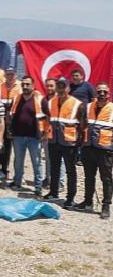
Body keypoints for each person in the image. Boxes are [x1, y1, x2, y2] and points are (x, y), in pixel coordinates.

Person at [43, 77, 85, 209]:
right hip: (54, 141)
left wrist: (80, 142)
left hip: (69, 144)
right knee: (54, 169)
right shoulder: (51, 102)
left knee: (70, 171)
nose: (61, 89)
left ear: (68, 88)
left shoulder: (77, 104)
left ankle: (70, 198)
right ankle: (53, 192)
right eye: (59, 86)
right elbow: (48, 120)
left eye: (63, 86)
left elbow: (83, 125)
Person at [78, 82, 112, 219]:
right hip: (89, 148)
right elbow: (83, 124)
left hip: (105, 150)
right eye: (99, 92)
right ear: (96, 93)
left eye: (104, 92)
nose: (102, 94)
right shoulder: (88, 107)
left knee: (107, 179)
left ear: (108, 94)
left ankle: (106, 205)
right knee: (89, 177)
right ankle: (88, 201)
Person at [9, 76, 48, 196]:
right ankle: (17, 182)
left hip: (34, 137)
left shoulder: (40, 99)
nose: (25, 87)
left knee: (36, 162)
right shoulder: (16, 98)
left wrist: (45, 133)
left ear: (33, 85)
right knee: (18, 161)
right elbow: (11, 115)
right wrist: (10, 131)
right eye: (23, 84)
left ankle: (38, 186)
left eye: (27, 84)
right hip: (18, 136)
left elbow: (48, 117)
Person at [0, 66, 22, 179]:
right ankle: (0, 168)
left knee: (13, 148)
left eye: (12, 74)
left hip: (14, 121)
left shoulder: (20, 87)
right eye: (8, 74)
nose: (10, 76)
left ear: (15, 75)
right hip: (1, 120)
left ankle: (11, 171)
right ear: (5, 75)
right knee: (1, 145)